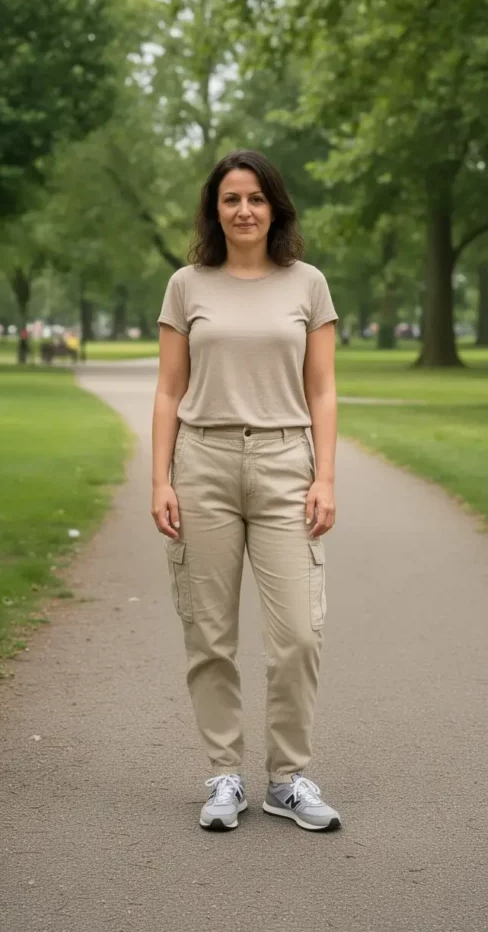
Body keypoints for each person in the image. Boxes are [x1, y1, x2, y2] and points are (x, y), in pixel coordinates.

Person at [151, 149, 341, 833]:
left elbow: (320, 387)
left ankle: (287, 779)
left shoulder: (307, 284)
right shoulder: (186, 285)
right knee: (210, 632)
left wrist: (324, 475)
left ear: (274, 206)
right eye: (230, 198)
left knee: (297, 634)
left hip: (286, 462)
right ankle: (224, 773)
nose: (243, 210)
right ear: (214, 208)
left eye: (255, 197)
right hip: (202, 463)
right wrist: (159, 480)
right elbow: (169, 389)